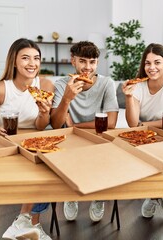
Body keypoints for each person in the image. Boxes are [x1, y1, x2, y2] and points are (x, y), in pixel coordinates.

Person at [0, 38, 53, 240]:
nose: (32, 63)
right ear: (13, 61)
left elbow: (40, 126)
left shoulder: (45, 85)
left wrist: (44, 112)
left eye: (36, 58)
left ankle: (24, 222)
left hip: (33, 143)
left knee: (48, 167)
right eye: (26, 58)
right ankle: (31, 226)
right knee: (40, 169)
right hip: (6, 146)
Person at [50, 41, 119, 223]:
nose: (88, 67)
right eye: (83, 61)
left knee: (107, 153)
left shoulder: (106, 83)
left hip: (98, 139)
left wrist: (75, 126)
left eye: (93, 62)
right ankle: (70, 194)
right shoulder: (61, 85)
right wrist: (66, 99)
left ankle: (99, 196)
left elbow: (111, 123)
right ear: (73, 61)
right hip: (69, 141)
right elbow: (56, 125)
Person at [122, 43, 163, 217]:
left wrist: (145, 125)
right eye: (148, 63)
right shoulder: (138, 86)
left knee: (160, 154)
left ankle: (156, 194)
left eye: (157, 62)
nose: (152, 67)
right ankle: (157, 193)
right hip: (143, 137)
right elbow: (133, 123)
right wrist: (128, 97)